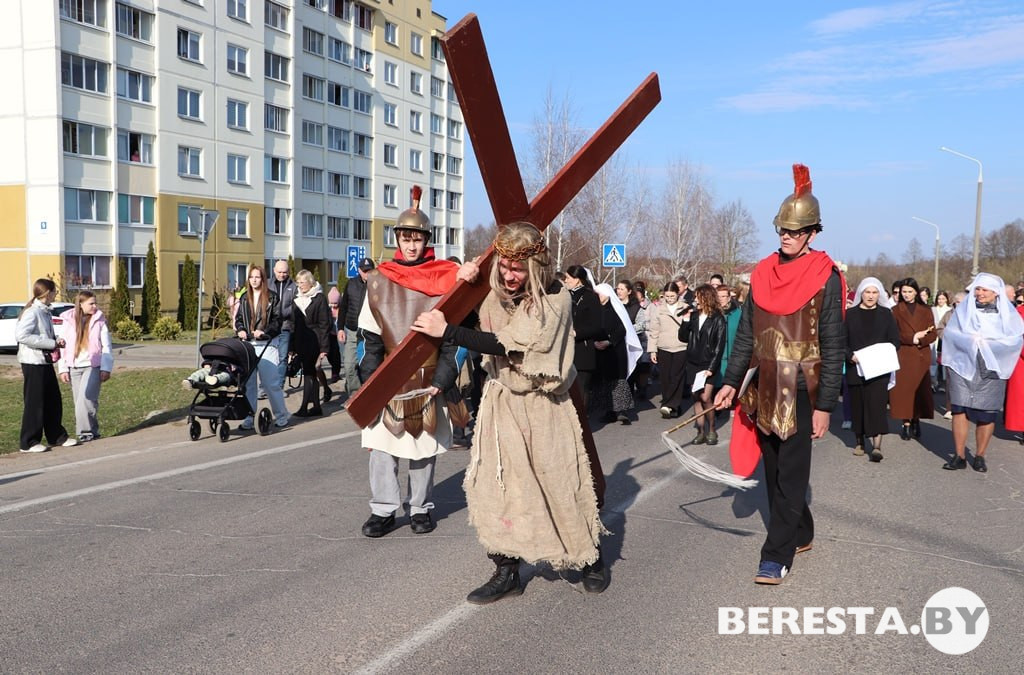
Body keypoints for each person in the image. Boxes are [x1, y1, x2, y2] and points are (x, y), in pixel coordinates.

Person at [410, 222, 609, 603]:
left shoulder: (556, 298)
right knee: (496, 489)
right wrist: (462, 281)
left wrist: (447, 331)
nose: (509, 275)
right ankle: (507, 571)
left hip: (544, 406)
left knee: (560, 485)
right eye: (504, 266)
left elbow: (509, 344)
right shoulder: (493, 293)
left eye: (518, 269)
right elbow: (464, 317)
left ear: (535, 266)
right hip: (501, 404)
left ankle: (588, 557)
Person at [713, 164, 844, 585]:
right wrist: (731, 382)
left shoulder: (827, 276)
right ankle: (801, 532)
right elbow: (747, 335)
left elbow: (833, 343)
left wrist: (825, 404)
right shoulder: (762, 271)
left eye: (795, 230)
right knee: (771, 472)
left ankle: (777, 553)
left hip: (803, 387)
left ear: (812, 233)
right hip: (764, 384)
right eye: (782, 230)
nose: (786, 237)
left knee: (791, 473)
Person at [357, 186, 462, 538]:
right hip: (389, 377)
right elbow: (372, 341)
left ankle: (420, 508)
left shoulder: (444, 278)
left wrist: (444, 377)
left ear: (425, 240)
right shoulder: (379, 281)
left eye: (417, 239)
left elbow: (450, 340)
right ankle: (383, 510)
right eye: (406, 238)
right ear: (398, 240)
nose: (412, 245)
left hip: (428, 375)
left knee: (422, 447)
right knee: (383, 450)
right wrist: (370, 382)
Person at [940, 273, 1024, 472]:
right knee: (960, 409)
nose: (980, 293)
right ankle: (959, 455)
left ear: (995, 292)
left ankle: (979, 455)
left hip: (992, 367)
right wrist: (970, 340)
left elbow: (1015, 340)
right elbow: (951, 333)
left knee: (987, 413)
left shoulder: (1007, 314)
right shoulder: (964, 310)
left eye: (985, 289)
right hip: (964, 365)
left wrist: (991, 343)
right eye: (978, 289)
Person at [16, 279, 78, 452]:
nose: (56, 294)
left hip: (44, 361)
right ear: (47, 293)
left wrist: (56, 340)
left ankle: (56, 436)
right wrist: (50, 343)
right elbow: (22, 335)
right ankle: (28, 442)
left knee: (53, 399)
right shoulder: (32, 312)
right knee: (35, 402)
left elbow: (44, 334)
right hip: (32, 361)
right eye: (54, 291)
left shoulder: (45, 311)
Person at [844, 278, 899, 462]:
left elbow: (894, 341)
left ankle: (877, 446)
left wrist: (881, 354)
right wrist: (849, 355)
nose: (871, 296)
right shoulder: (850, 314)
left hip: (879, 368)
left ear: (880, 295)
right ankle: (859, 440)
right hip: (856, 367)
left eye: (874, 292)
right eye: (867, 292)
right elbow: (841, 340)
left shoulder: (886, 314)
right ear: (861, 293)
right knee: (858, 404)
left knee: (877, 405)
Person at [234, 264, 290, 429]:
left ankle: (281, 416)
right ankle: (249, 418)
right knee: (249, 384)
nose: (254, 280)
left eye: (257, 277)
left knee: (270, 383)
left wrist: (264, 331)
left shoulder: (272, 297)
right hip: (248, 345)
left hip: (267, 345)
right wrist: (241, 329)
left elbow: (277, 321)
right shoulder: (244, 297)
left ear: (263, 279)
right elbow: (238, 319)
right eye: (251, 277)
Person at [57, 290, 113, 442]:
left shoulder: (99, 321)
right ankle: (93, 432)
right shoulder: (68, 321)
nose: (95, 306)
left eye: (96, 303)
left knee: (86, 399)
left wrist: (106, 368)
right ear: (80, 304)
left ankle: (85, 433)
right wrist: (62, 368)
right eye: (91, 303)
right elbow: (62, 346)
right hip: (74, 367)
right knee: (80, 403)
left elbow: (106, 346)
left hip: (92, 366)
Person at [678, 284, 726, 444]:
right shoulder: (693, 316)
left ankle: (712, 429)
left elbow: (719, 346)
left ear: (706, 297)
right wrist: (685, 320)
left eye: (697, 296)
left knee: (706, 397)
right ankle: (700, 431)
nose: (695, 299)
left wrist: (712, 368)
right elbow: (683, 338)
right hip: (693, 362)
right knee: (696, 397)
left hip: (708, 363)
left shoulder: (718, 318)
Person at [889, 278, 936, 441]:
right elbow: (893, 334)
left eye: (910, 291)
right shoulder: (895, 310)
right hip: (904, 354)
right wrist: (912, 338)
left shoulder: (926, 310)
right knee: (904, 392)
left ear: (916, 292)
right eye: (904, 292)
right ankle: (906, 423)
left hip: (921, 355)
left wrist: (921, 340)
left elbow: (933, 333)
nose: (907, 294)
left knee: (919, 390)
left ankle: (916, 419)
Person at [594, 282, 641, 424]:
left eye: (600, 294)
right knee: (606, 381)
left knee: (618, 380)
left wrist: (609, 342)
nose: (598, 297)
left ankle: (622, 411)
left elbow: (622, 329)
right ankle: (609, 411)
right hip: (600, 350)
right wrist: (595, 342)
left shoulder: (616, 308)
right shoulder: (596, 310)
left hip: (616, 349)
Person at [291, 269, 333, 417]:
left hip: (315, 340)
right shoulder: (296, 298)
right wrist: (292, 346)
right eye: (298, 282)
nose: (300, 285)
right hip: (301, 340)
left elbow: (324, 324)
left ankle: (304, 407)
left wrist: (324, 348)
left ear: (310, 282)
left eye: (303, 282)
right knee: (311, 373)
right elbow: (293, 324)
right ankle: (316, 406)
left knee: (309, 372)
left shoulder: (319, 298)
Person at [563, 265, 605, 410]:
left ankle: (582, 421)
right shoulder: (564, 295)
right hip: (565, 349)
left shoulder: (590, 297)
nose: (566, 280)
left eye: (568, 278)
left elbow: (596, 326)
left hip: (583, 349)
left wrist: (577, 333)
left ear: (578, 280)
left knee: (581, 389)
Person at [648, 281, 688, 418]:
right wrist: (652, 350)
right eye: (667, 296)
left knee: (677, 377)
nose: (670, 299)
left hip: (681, 346)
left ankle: (673, 405)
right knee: (665, 377)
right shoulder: (658, 309)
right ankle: (667, 402)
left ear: (678, 294)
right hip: (663, 347)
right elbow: (654, 331)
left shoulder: (686, 308)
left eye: (672, 296)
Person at [338, 258, 374, 395]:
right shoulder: (351, 284)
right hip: (352, 330)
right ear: (359, 270)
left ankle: (366, 395)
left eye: (370, 271)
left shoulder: (378, 285)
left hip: (370, 332)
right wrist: (340, 328)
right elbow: (344, 307)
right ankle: (354, 395)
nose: (367, 274)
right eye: (365, 271)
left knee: (367, 367)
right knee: (349, 366)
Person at [617, 280, 651, 399]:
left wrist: (627, 329)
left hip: (630, 345)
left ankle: (626, 401)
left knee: (629, 373)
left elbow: (642, 325)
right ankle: (618, 403)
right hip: (615, 344)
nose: (619, 291)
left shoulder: (636, 307)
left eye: (622, 289)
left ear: (629, 291)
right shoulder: (614, 305)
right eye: (618, 289)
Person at [272, 260, 298, 391]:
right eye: (280, 272)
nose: (282, 275)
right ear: (274, 271)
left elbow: (295, 307)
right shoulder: (268, 285)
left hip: (285, 327)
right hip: (269, 328)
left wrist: (285, 314)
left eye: (285, 272)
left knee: (282, 358)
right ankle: (263, 387)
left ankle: (279, 387)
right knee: (268, 358)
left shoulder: (293, 287)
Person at [931, 291, 953, 392]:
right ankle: (933, 382)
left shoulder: (949, 310)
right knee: (933, 360)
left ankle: (943, 382)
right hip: (934, 338)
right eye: (939, 299)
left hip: (944, 339)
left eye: (943, 299)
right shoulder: (933, 309)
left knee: (943, 361)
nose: (941, 301)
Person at [326, 286, 343, 388]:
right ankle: (334, 370)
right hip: (330, 335)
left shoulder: (342, 309)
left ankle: (335, 373)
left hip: (340, 335)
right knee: (330, 354)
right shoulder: (328, 310)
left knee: (337, 355)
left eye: (335, 304)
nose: (333, 305)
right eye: (331, 303)